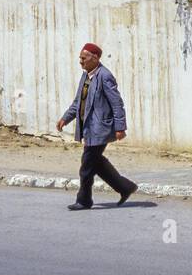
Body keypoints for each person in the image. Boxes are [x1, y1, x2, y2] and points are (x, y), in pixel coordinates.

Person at [56, 43, 138, 210]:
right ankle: (125, 187)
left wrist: (120, 127)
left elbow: (117, 103)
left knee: (86, 166)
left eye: (83, 58)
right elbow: (78, 102)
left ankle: (84, 200)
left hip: (100, 128)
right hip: (88, 128)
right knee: (96, 162)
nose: (80, 62)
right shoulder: (85, 76)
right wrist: (66, 118)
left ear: (95, 58)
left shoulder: (105, 76)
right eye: (80, 58)